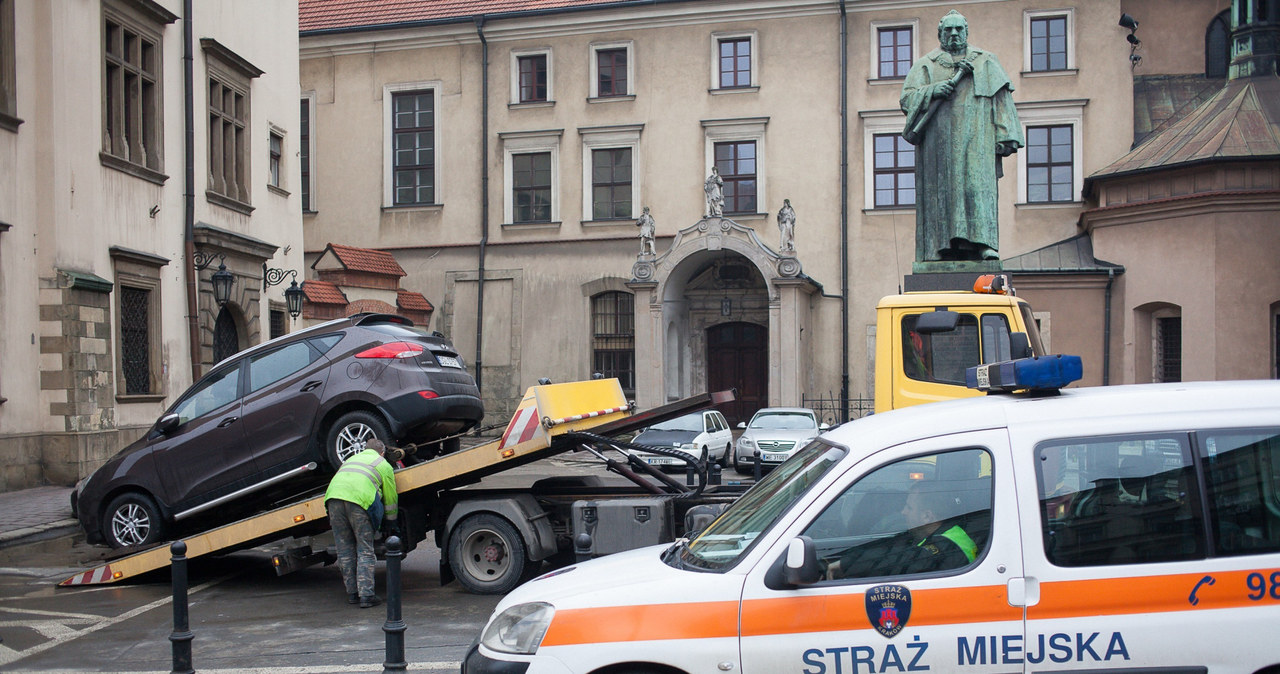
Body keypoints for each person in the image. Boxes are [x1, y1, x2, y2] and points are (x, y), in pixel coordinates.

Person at [900, 10, 1022, 262]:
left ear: (966, 32)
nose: (954, 34)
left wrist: (1006, 134)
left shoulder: (986, 61)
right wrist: (933, 90)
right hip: (938, 143)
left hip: (978, 138)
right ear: (940, 35)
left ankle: (985, 244)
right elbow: (906, 98)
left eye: (958, 29)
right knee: (942, 193)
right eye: (948, 30)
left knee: (977, 189)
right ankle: (940, 246)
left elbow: (1002, 100)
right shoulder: (926, 64)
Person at [826, 482, 977, 579]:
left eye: (909, 507)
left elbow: (900, 561)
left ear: (927, 516)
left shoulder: (948, 546)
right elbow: (891, 546)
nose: (903, 512)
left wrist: (846, 565)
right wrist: (844, 559)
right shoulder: (936, 533)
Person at [325, 438, 401, 608]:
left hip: (333, 500)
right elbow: (390, 498)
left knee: (344, 550)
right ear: (382, 452)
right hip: (359, 503)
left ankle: (352, 593)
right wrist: (391, 521)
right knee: (365, 548)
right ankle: (366, 595)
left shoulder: (350, 459)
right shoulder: (382, 464)